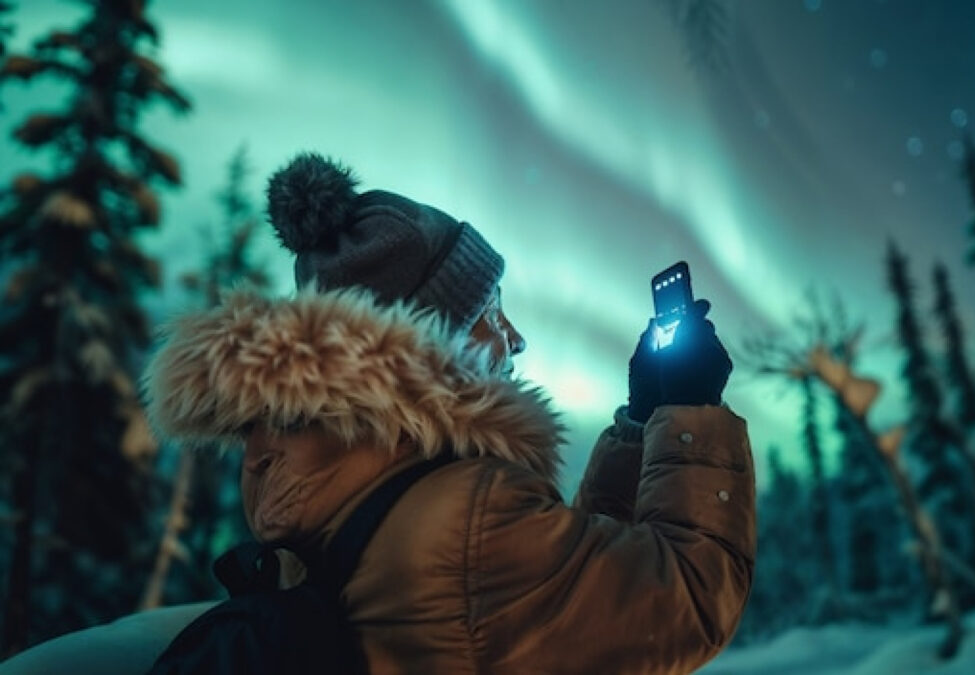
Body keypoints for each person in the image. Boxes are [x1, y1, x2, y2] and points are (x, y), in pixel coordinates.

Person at [0, 153, 755, 674]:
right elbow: (682, 598)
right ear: (433, 340)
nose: (515, 336)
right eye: (491, 311)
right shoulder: (470, 522)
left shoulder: (341, 487)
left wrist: (636, 423)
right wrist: (689, 411)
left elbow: (552, 590)